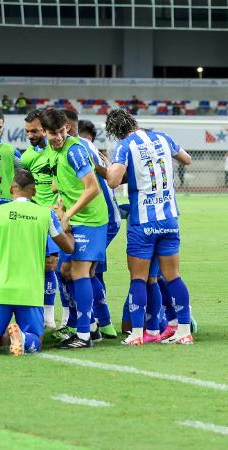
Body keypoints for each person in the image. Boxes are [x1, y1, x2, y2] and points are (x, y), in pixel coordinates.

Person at [105, 108, 193, 345]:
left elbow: (113, 181)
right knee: (173, 276)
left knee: (139, 279)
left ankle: (137, 334)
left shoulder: (124, 146)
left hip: (143, 223)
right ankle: (183, 330)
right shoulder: (163, 138)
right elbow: (187, 159)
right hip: (169, 219)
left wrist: (108, 166)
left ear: (115, 131)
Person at [0, 170, 74, 356]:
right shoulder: (45, 214)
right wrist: (67, 227)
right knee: (35, 338)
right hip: (30, 290)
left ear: (11, 189)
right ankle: (22, 338)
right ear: (33, 192)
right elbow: (68, 248)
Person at [41, 108, 108, 349]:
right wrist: (61, 202)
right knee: (69, 271)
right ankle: (90, 327)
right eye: (53, 133)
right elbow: (62, 182)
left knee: (78, 272)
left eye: (61, 132)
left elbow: (93, 188)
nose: (58, 137)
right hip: (78, 217)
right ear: (44, 132)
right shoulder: (52, 150)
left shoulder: (75, 151)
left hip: (90, 220)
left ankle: (83, 336)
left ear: (67, 128)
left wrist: (67, 214)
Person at [77, 119, 121, 339]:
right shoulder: (92, 150)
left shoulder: (82, 149)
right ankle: (101, 323)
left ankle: (97, 323)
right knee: (93, 270)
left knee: (85, 269)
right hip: (105, 219)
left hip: (101, 220)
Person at [21, 109, 60, 328]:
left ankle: (50, 319)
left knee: (52, 266)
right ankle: (36, 316)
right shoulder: (26, 157)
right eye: (27, 131)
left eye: (34, 131)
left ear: (44, 129)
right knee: (35, 266)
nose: (30, 135)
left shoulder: (59, 151)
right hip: (34, 218)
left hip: (56, 217)